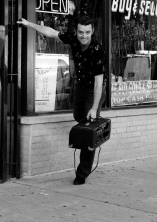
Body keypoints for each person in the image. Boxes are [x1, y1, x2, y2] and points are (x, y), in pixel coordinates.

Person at [17, 14, 106, 185]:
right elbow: (50, 32)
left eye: (87, 32)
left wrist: (94, 107)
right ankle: (87, 133)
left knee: (88, 128)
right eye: (81, 32)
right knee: (79, 116)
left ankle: (82, 172)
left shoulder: (97, 50)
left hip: (93, 90)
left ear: (92, 31)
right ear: (76, 31)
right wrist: (29, 24)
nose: (84, 36)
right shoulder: (73, 39)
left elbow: (98, 84)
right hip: (80, 87)